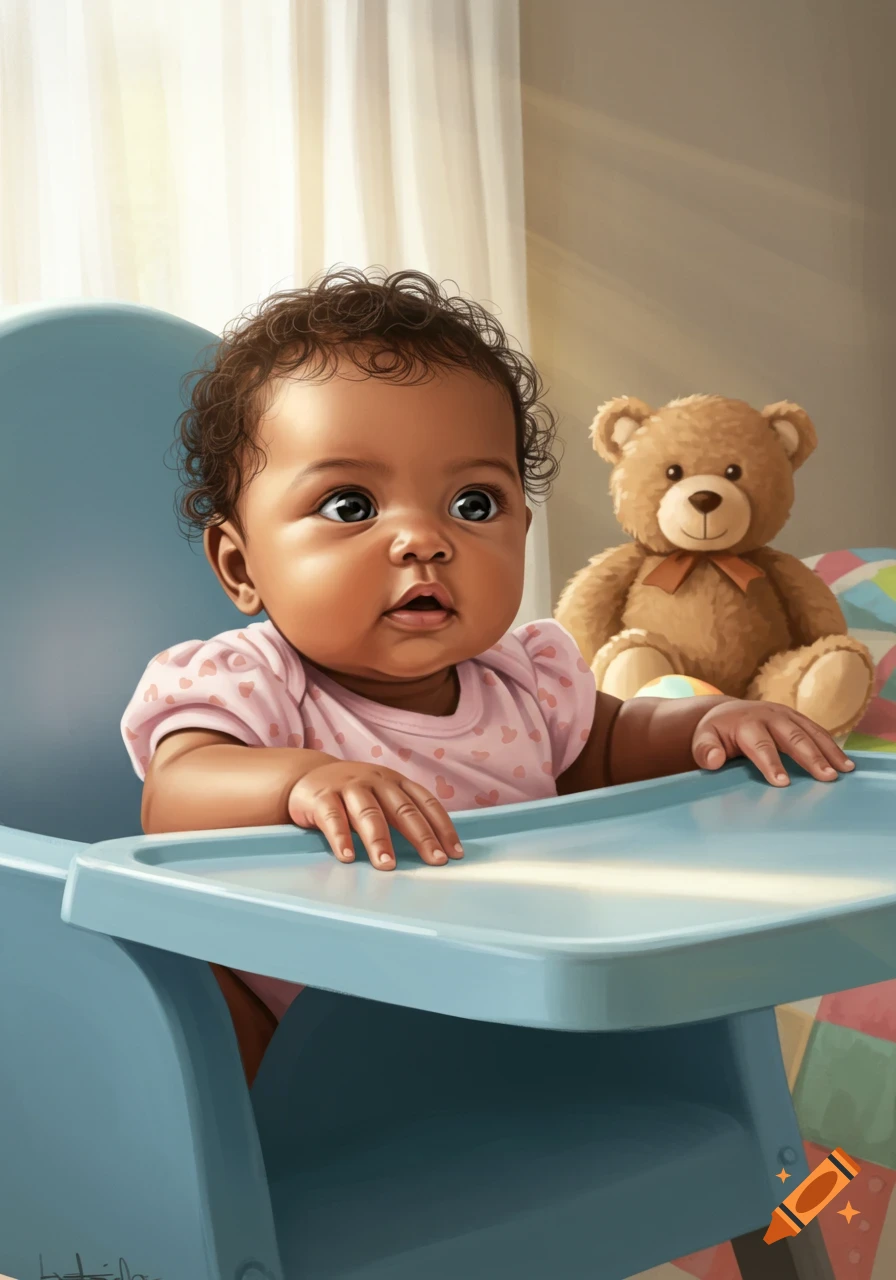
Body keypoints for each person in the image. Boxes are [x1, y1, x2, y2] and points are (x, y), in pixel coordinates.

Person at [122, 267, 854, 1082]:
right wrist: (300, 783)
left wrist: (705, 728)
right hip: (307, 1040)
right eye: (351, 506)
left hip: (513, 1016)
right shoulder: (250, 681)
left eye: (473, 505)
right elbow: (177, 793)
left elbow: (610, 743)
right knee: (193, 995)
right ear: (239, 563)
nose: (423, 541)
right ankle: (251, 1161)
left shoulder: (524, 678)